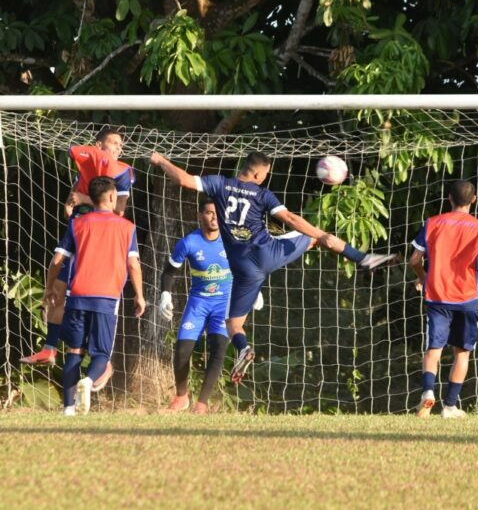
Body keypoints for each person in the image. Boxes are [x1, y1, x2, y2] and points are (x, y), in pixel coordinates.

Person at [149, 150, 397, 383]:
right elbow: (289, 218)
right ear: (258, 174)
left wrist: (160, 160)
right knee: (313, 236)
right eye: (266, 174)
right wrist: (321, 236)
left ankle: (243, 348)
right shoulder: (262, 194)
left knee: (234, 325)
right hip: (269, 254)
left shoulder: (219, 184)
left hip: (243, 268)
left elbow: (182, 179)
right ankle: (362, 259)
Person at [21, 126, 134, 366]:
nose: (118, 148)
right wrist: (70, 204)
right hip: (77, 233)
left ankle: (100, 362)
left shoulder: (122, 173)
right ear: (98, 145)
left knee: (82, 297)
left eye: (120, 145)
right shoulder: (86, 169)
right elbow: (72, 197)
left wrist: (85, 200)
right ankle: (50, 349)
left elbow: (119, 211)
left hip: (98, 241)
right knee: (58, 289)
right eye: (114, 143)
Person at [410, 180, 478, 418]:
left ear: (449, 198)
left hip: (437, 296)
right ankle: (449, 406)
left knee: (433, 349)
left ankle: (428, 392)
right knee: (462, 353)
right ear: (474, 200)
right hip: (467, 298)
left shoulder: (432, 223)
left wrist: (424, 278)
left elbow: (414, 260)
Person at [44, 176, 145, 415]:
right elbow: (133, 265)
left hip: (77, 296)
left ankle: (68, 409)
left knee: (74, 350)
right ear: (111, 196)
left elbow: (57, 260)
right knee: (101, 354)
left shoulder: (77, 224)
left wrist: (49, 288)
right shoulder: (127, 227)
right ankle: (88, 382)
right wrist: (139, 295)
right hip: (106, 298)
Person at [159, 198, 262, 414]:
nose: (214, 217)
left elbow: (248, 267)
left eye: (217, 213)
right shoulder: (189, 243)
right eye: (208, 213)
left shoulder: (232, 240)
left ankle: (202, 404)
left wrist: (254, 291)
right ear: (200, 216)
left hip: (224, 305)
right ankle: (181, 397)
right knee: (182, 350)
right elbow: (169, 272)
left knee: (218, 347)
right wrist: (165, 295)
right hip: (198, 303)